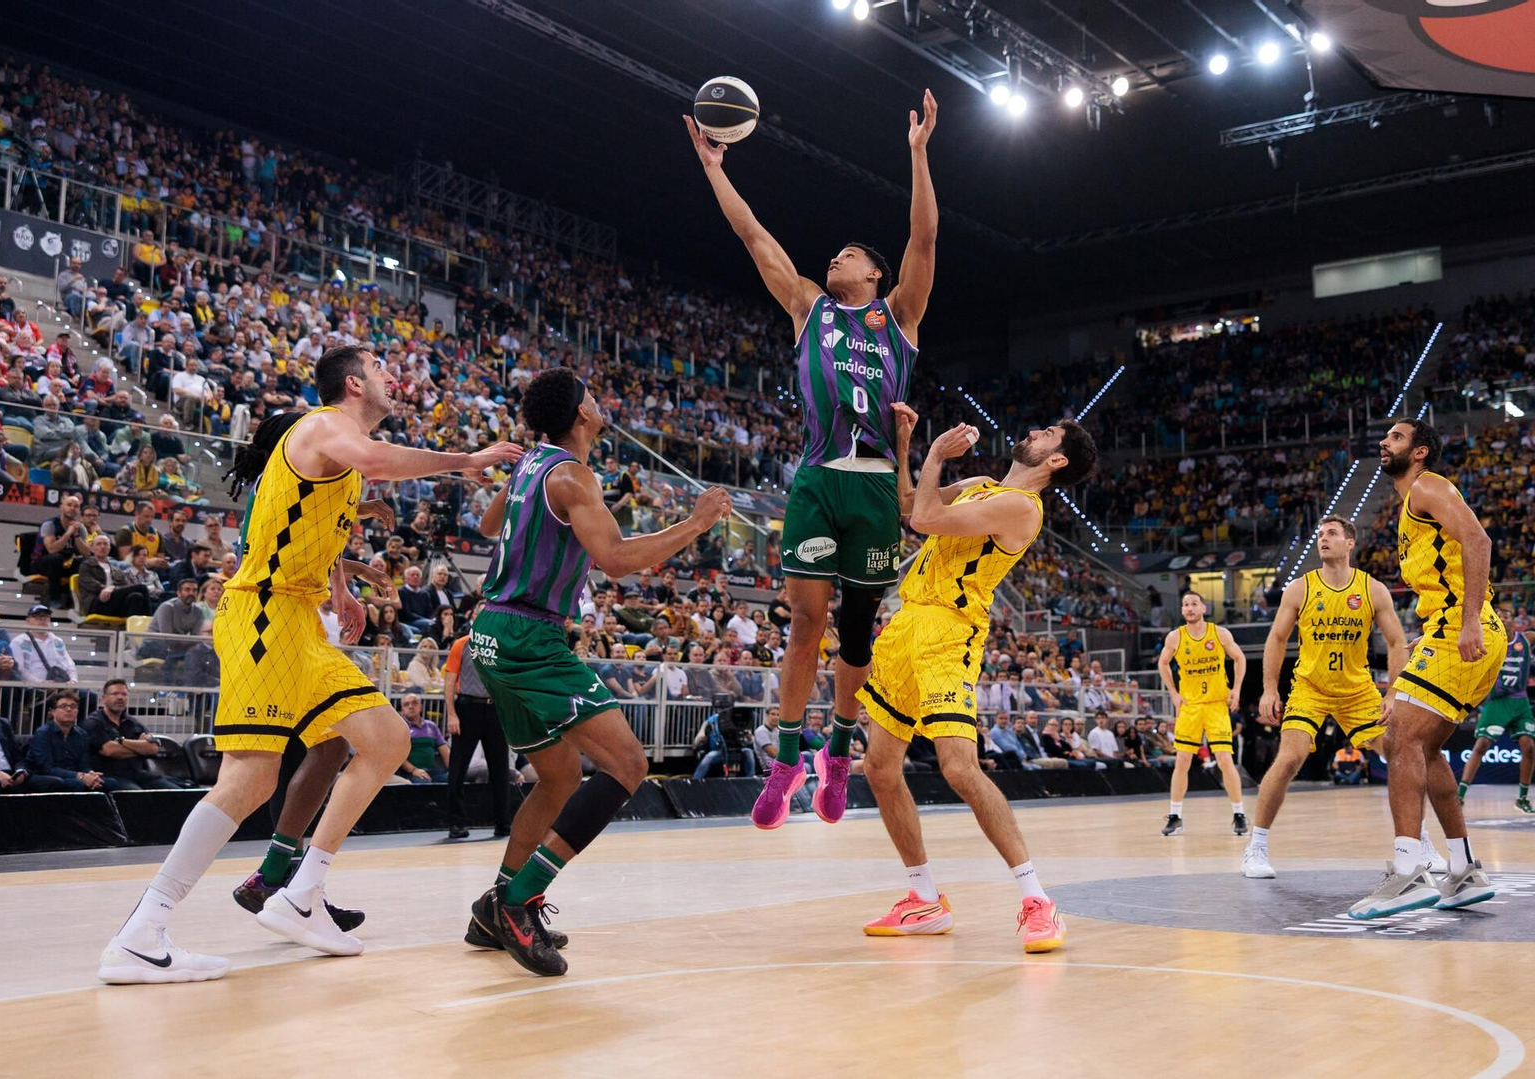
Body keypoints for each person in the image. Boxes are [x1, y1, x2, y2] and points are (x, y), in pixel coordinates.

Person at [97, 344, 522, 984]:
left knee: (384, 739)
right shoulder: (326, 425)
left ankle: (300, 894)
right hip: (264, 614)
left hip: (298, 619)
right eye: (380, 367)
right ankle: (142, 931)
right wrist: (470, 460)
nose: (391, 375)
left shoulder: (336, 456)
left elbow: (311, 530)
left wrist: (342, 589)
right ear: (353, 384)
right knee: (248, 780)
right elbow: (379, 461)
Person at [688, 92, 939, 831]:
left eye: (851, 255)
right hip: (819, 478)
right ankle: (788, 759)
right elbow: (750, 233)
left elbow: (925, 237)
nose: (836, 257)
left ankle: (837, 749)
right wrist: (712, 167)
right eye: (835, 254)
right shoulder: (807, 306)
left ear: (873, 275)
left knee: (856, 633)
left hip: (873, 490)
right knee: (805, 620)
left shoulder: (899, 318)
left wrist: (919, 154)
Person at [459, 368, 730, 977]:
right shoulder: (573, 476)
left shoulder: (531, 463)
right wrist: (696, 523)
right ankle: (520, 900)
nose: (599, 400)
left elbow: (485, 525)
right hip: (530, 635)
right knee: (628, 763)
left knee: (556, 779)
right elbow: (616, 561)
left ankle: (492, 904)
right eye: (592, 394)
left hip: (491, 633)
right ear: (581, 414)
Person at [856, 412, 1096, 951]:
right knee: (878, 766)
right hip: (906, 625)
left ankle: (1038, 901)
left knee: (959, 768)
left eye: (1046, 434)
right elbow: (909, 506)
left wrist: (937, 456)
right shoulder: (982, 486)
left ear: (1056, 461)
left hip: (950, 631)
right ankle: (923, 900)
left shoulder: (1020, 507)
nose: (1032, 432)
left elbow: (925, 522)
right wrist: (905, 441)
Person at [1348, 419, 1505, 921]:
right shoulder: (1409, 507)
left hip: (1466, 626)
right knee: (1425, 746)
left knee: (1399, 738)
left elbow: (1478, 543)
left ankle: (1409, 869)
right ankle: (1461, 869)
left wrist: (1466, 622)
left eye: (1395, 437)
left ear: (1419, 452)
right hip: (1450, 626)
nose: (1384, 442)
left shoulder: (1428, 486)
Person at [1245, 515, 1410, 879]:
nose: (1324, 538)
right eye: (1320, 534)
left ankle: (1417, 844)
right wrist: (1270, 688)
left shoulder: (1373, 589)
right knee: (1290, 758)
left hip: (1357, 690)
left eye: (1332, 533)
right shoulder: (1300, 588)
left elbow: (1398, 642)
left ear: (1350, 543)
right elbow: (1276, 639)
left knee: (1400, 757)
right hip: (1310, 687)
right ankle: (1256, 847)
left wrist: (1394, 692)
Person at [1456, 606, 1535, 815]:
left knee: (1529, 747)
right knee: (1481, 745)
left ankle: (1522, 799)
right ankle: (1459, 796)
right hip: (1497, 701)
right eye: (1499, 616)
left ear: (1514, 622)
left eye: (1507, 615)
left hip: (1520, 700)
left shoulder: (1527, 638)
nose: (1503, 618)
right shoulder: (1486, 638)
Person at [1156, 591, 1247, 836]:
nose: (1189, 608)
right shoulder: (1175, 637)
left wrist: (1236, 689)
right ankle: (1175, 816)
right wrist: (1173, 693)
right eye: (1185, 604)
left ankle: (1239, 814)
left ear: (1203, 608)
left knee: (1226, 761)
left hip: (1217, 704)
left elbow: (1239, 658)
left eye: (1194, 604)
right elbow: (1162, 663)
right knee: (1182, 761)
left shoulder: (1219, 633)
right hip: (1191, 707)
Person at [444, 616, 512, 841]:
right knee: (457, 769)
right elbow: (449, 681)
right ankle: (457, 824)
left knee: (500, 770)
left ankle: (503, 823)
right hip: (467, 708)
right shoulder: (461, 644)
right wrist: (452, 714)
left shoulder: (500, 646)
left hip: (495, 710)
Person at [82, 679, 181, 790]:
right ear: (104, 699)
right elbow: (110, 750)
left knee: (176, 792)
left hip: (138, 774)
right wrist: (139, 747)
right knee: (136, 796)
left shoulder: (133, 723)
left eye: (124, 694)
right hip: (110, 776)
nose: (120, 697)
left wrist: (122, 742)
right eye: (115, 694)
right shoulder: (94, 722)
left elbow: (153, 748)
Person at [0, 680, 74, 792]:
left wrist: (21, 771)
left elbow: (17, 757)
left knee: (54, 783)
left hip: (10, 775)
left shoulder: (3, 724)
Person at [27, 692, 107, 790]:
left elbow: (84, 764)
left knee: (109, 783)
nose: (69, 709)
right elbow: (47, 768)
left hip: (75, 775)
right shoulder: (43, 733)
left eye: (73, 706)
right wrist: (80, 776)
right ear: (53, 712)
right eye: (63, 706)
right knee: (77, 784)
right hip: (48, 776)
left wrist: (91, 774)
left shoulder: (81, 734)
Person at [76, 534, 153, 619]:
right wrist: (107, 588)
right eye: (98, 544)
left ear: (109, 548)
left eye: (105, 544)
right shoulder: (86, 566)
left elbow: (123, 587)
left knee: (136, 597)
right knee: (141, 587)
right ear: (92, 548)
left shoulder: (116, 570)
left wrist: (111, 588)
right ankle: (150, 626)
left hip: (115, 603)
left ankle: (133, 630)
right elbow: (91, 584)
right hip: (96, 602)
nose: (102, 547)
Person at [10, 605, 81, 684]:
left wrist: (73, 680)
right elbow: (20, 669)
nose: (43, 619)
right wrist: (40, 683)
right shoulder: (18, 642)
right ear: (28, 621)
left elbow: (70, 665)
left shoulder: (58, 641)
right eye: (37, 616)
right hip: (33, 688)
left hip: (62, 685)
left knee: (90, 695)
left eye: (46, 616)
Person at [397, 694, 449, 783]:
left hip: (433, 771)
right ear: (402, 710)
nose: (410, 706)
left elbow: (444, 750)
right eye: (406, 704)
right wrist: (413, 770)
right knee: (424, 785)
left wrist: (454, 770)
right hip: (411, 773)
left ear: (420, 707)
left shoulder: (431, 726)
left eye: (414, 703)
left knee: (453, 782)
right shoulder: (400, 727)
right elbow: (398, 756)